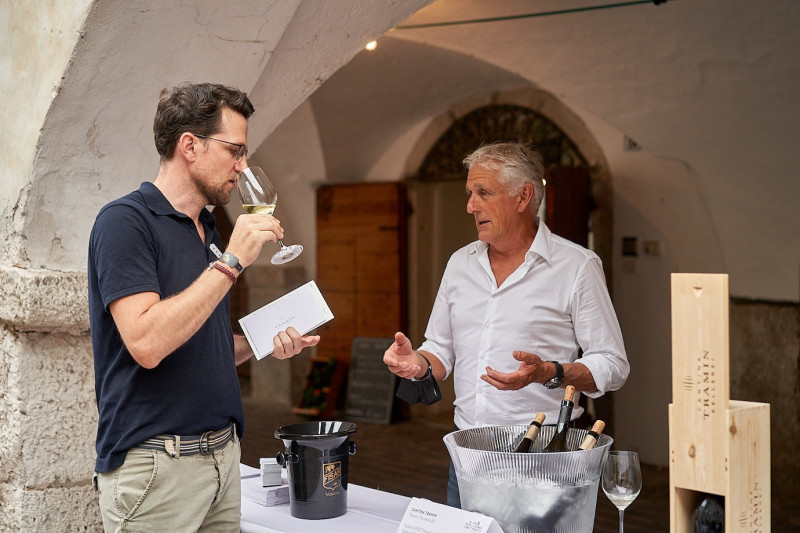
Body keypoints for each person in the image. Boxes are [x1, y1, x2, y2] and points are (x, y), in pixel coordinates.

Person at [88, 82, 320, 531]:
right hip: (158, 467)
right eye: (235, 149)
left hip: (222, 459)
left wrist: (258, 344)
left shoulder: (207, 230)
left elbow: (196, 345)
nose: (243, 165)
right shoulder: (124, 223)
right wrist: (231, 263)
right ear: (189, 146)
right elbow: (148, 342)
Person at [383, 141, 629, 507]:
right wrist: (416, 363)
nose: (470, 205)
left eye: (483, 192)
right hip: (467, 456)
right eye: (470, 193)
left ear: (523, 196)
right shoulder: (460, 263)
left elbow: (613, 364)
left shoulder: (577, 266)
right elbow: (439, 350)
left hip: (546, 457)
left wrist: (549, 371)